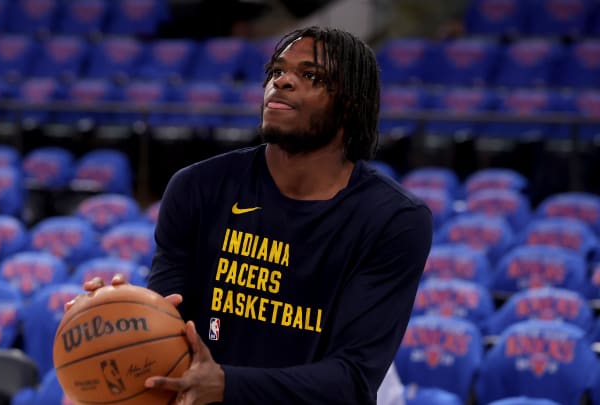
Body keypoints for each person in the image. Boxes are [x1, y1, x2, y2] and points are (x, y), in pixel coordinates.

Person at [70, 26, 433, 404]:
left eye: (310, 75)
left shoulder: (394, 220)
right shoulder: (198, 188)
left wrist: (227, 383)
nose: (283, 82)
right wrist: (111, 319)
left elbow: (353, 380)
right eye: (277, 71)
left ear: (351, 104)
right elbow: (170, 328)